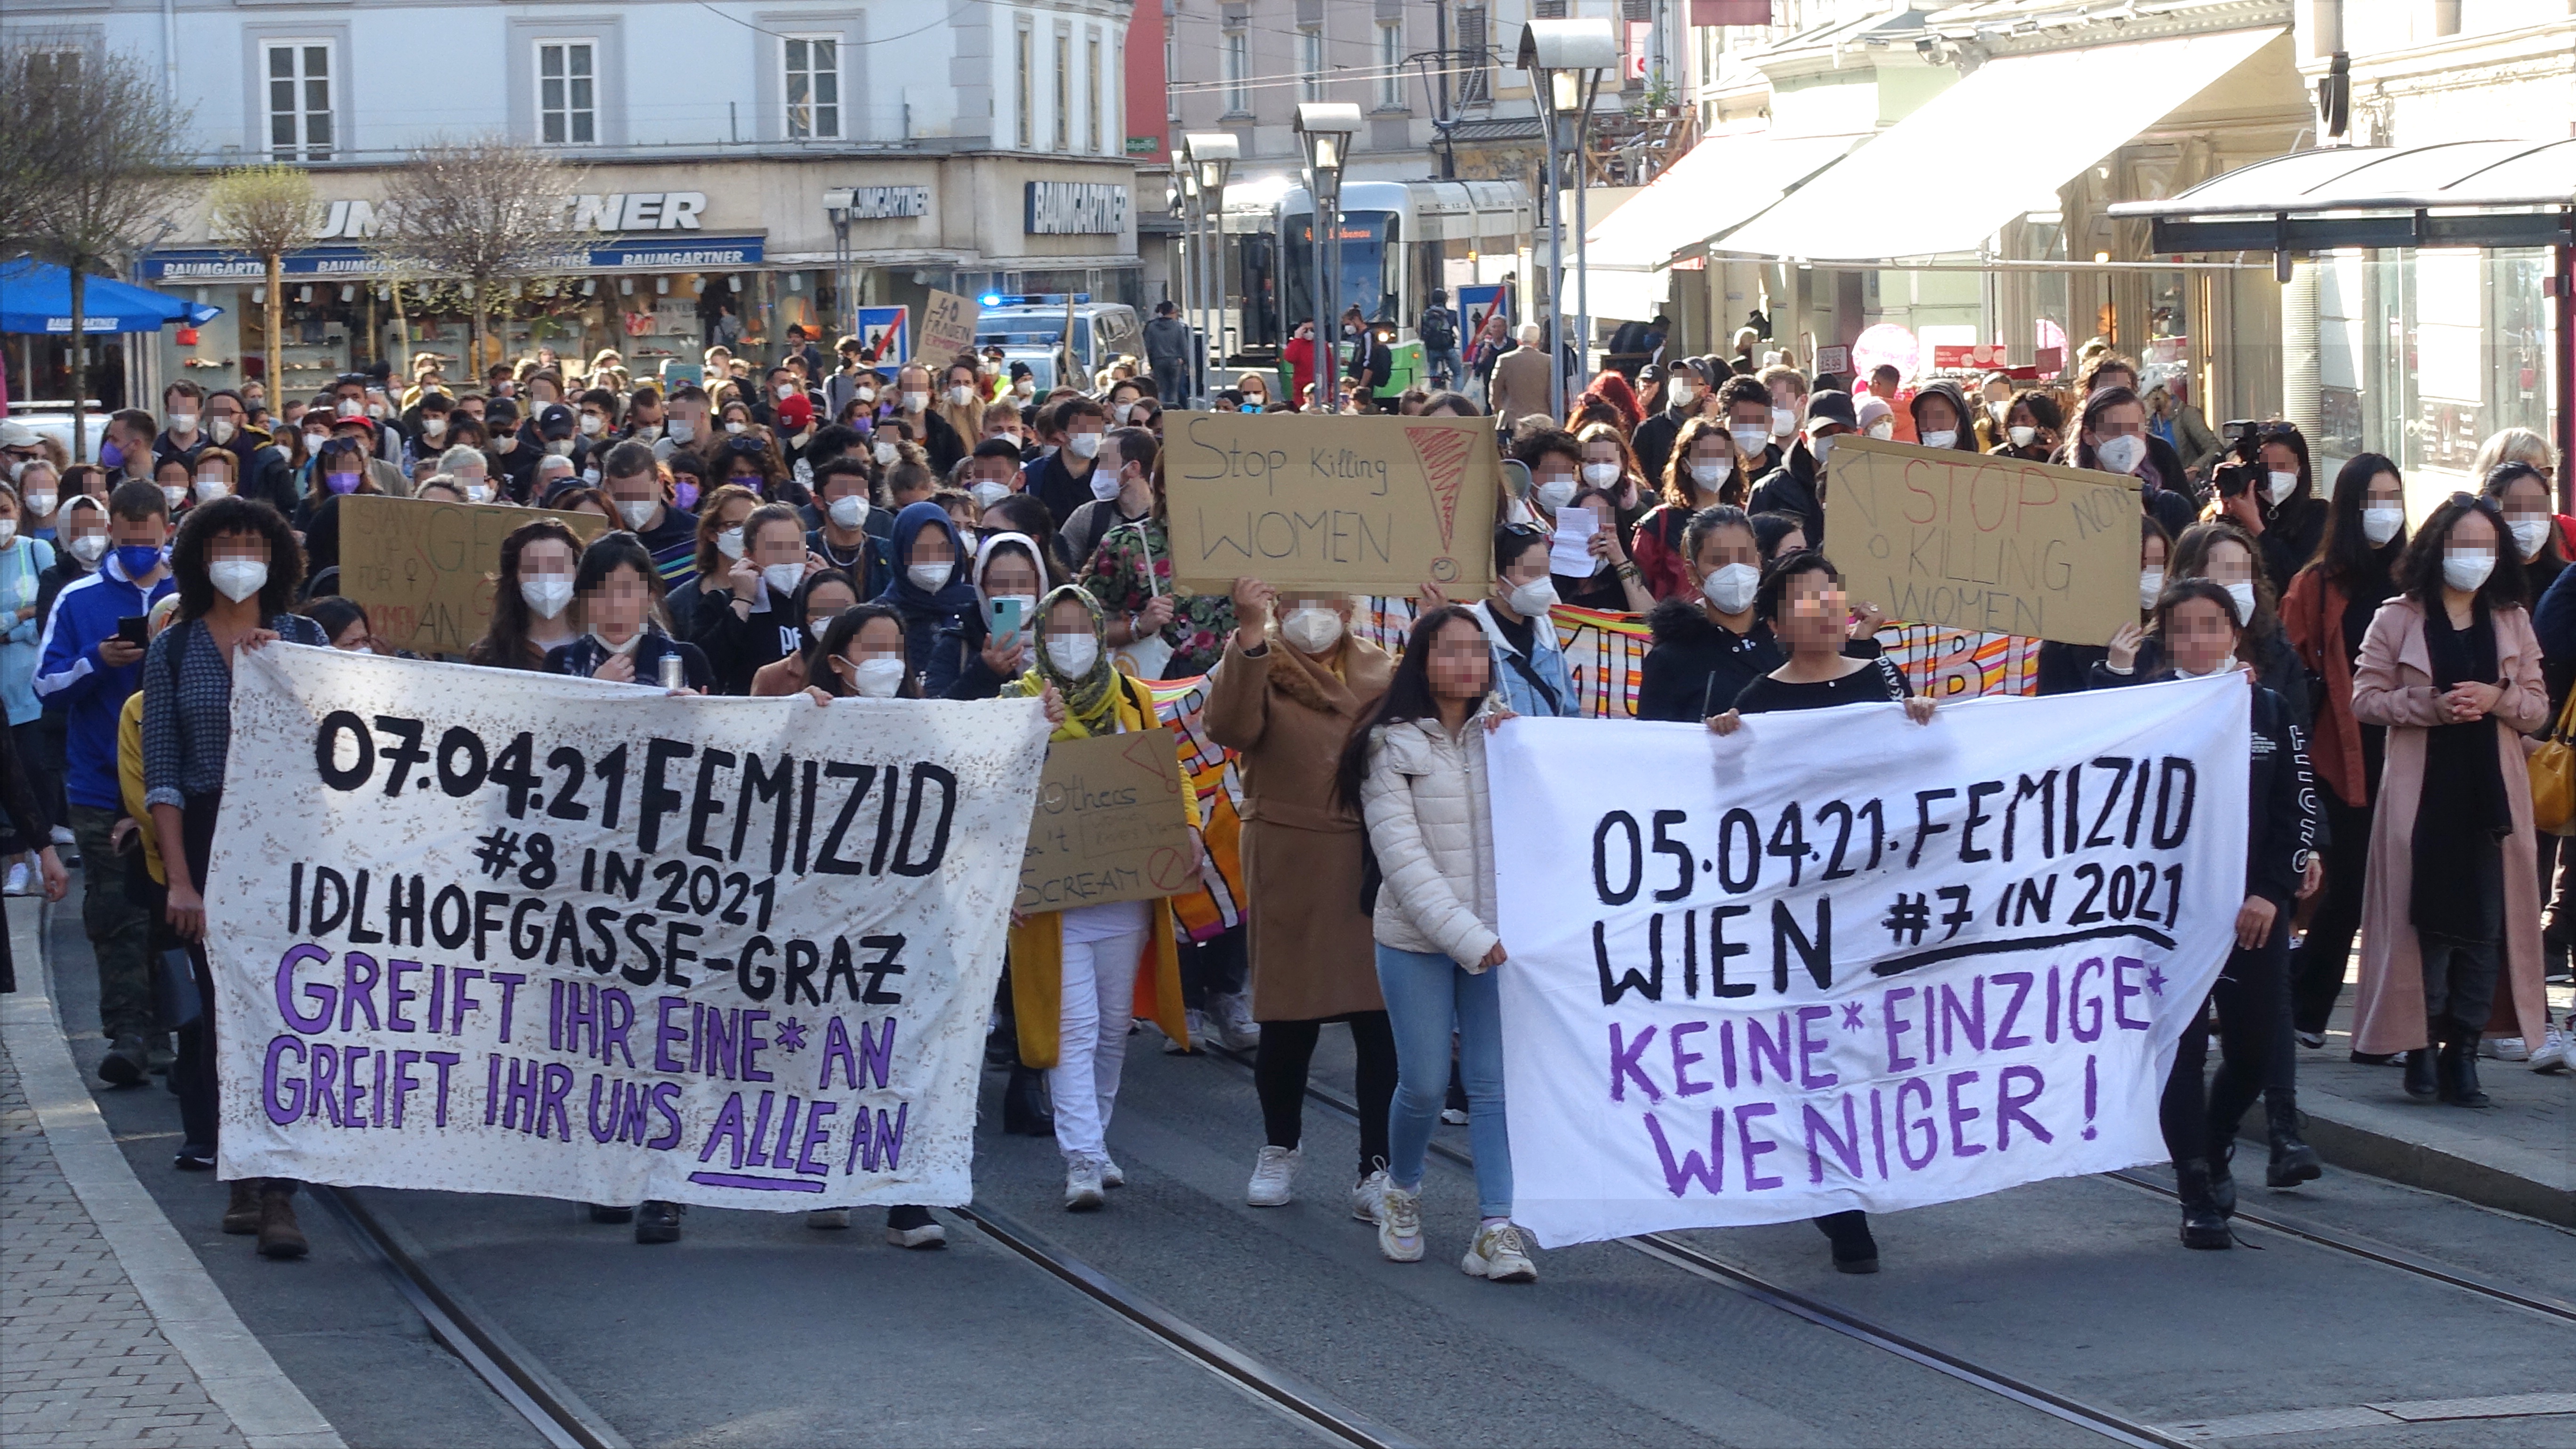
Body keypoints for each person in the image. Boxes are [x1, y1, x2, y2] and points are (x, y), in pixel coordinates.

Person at [1705, 552, 1934, 1272]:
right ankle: (1840, 1203)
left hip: (1876, 902)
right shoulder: (1759, 700)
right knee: (1816, 1050)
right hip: (1800, 914)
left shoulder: (1880, 678)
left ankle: (1857, 1165)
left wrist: (1922, 720)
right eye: (1804, 598)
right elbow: (1729, 804)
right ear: (1777, 623)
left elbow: (1923, 768)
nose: (1824, 606)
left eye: (1829, 592)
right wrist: (1721, 749)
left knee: (1873, 1045)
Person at [2102, 578, 2318, 1247]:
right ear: (2165, 637)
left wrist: (2272, 892)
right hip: (2167, 917)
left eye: (2211, 625)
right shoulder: (2147, 707)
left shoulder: (2271, 709)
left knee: (2254, 1049)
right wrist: (2112, 674)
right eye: (2183, 627)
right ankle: (2195, 1186)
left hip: (2251, 915)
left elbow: (2299, 812)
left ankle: (2219, 1132)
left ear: (2235, 631)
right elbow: (2093, 771)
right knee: (2180, 1051)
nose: (2198, 640)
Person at [141, 495, 331, 1256]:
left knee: (287, 1012)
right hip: (213, 837)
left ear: (277, 555)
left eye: (253, 542)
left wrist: (285, 673)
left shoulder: (306, 637)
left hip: (292, 843)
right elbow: (164, 775)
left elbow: (345, 748)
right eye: (225, 543)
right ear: (198, 557)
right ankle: (243, 1175)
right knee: (226, 1014)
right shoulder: (176, 647)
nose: (240, 555)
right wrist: (180, 881)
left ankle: (279, 1186)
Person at [1332, 604, 1531, 1281]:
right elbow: (1404, 863)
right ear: (1421, 661)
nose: (1467, 665)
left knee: (1490, 1084)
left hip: (1494, 942)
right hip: (1417, 940)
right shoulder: (1389, 746)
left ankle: (1497, 1227)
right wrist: (1471, 938)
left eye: (1478, 651)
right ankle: (1403, 1189)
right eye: (1451, 651)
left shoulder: (1504, 737)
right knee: (1421, 1082)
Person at [1205, 578, 1400, 1216]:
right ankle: (1279, 1146)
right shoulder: (1256, 659)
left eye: (1328, 604)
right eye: (1297, 604)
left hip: (1363, 858)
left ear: (1349, 610)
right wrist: (1250, 632)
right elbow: (1229, 725)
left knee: (1377, 1021)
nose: (1314, 617)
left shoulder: (1382, 670)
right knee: (1287, 1016)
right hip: (1288, 856)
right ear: (1278, 608)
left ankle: (1377, 1166)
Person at [2349, 491, 2551, 1107]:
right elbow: (2366, 698)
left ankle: (2464, 1050)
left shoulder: (2511, 617)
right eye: (2464, 544)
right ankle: (2422, 1046)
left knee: (2486, 927)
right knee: (2426, 927)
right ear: (2438, 547)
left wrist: (2497, 700)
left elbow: (2538, 707)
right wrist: (2429, 707)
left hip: (2492, 795)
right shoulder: (2397, 617)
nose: (2475, 558)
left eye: (2486, 546)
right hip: (2423, 793)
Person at [1002, 586, 1199, 1209]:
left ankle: (1096, 1142)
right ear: (1039, 638)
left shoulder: (1135, 698)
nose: (1071, 640)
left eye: (1080, 627)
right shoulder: (1014, 702)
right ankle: (1081, 1158)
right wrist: (1037, 728)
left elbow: (1173, 772)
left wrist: (1188, 826)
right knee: (1073, 1028)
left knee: (1115, 1026)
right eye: (1056, 629)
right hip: (1053, 904)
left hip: (1124, 895)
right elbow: (991, 792)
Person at [35, 481, 176, 1086]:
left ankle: (178, 1028)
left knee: (173, 912)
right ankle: (129, 1033)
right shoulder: (78, 598)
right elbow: (46, 683)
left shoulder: (188, 594)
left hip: (176, 781)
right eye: (128, 540)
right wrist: (97, 661)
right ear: (112, 531)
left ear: (167, 530)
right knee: (118, 914)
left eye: (150, 540)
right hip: (99, 783)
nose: (140, 550)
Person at [2282, 456, 2407, 1053]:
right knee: (2347, 889)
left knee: (2405, 893)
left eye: (2395, 496)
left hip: (2411, 749)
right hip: (2342, 753)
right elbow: (2291, 665)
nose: (2387, 510)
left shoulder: (2418, 577)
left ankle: (2396, 1026)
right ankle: (2306, 1003)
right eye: (2373, 499)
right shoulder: (2318, 584)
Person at [1080, 450, 1234, 678]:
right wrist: (1138, 627)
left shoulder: (1251, 544)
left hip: (1238, 685)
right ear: (1163, 484)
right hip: (1160, 693)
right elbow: (1084, 629)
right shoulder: (1128, 544)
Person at [546, 531, 714, 702]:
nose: (615, 605)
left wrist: (698, 711)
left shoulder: (689, 659)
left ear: (650, 597)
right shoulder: (560, 662)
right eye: (601, 593)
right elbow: (550, 724)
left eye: (627, 592)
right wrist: (594, 691)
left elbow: (717, 724)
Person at [692, 502, 820, 694]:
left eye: (795, 547)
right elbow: (705, 668)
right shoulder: (719, 602)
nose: (787, 557)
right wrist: (743, 601)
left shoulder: (812, 602)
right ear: (748, 556)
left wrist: (828, 592)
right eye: (775, 548)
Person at [2038, 518, 2170, 696]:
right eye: (2144, 564)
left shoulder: (2165, 625)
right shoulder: (2074, 637)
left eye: (2159, 564)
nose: (2154, 575)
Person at [0, 486, 57, 895]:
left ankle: (43, 850)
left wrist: (10, 626)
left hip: (34, 690)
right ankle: (16, 860)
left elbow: (47, 614)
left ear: (17, 511)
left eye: (3, 510)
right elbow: (31, 613)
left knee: (37, 769)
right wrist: (22, 616)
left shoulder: (37, 552)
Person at [1464, 523, 1578, 717]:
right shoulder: (1469, 633)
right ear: (1496, 578)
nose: (1544, 583)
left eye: (1546, 573)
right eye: (1532, 574)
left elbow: (1569, 712)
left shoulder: (1547, 635)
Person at [1631, 417, 1749, 601]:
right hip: (1677, 625)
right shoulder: (1656, 525)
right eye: (1705, 456)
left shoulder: (1746, 517)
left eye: (1722, 455)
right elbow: (1638, 588)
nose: (1715, 463)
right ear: (1686, 465)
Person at [2069, 385, 2198, 540]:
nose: (2129, 441)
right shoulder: (2068, 508)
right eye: (2116, 430)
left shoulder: (2172, 509)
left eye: (2136, 430)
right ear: (2089, 435)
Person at [2216, 421, 2326, 597]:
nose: (2274, 474)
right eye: (2266, 467)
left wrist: (2257, 528)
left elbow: (2296, 579)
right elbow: (2214, 572)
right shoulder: (2238, 509)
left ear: (2300, 469)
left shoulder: (2317, 514)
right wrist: (2225, 513)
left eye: (2282, 466)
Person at [872, 500, 978, 684]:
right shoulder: (879, 616)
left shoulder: (977, 607)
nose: (933, 559)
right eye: (920, 550)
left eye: (943, 549)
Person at [467, 519, 585, 670]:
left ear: (577, 572)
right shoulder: (486, 657)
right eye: (534, 569)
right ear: (515, 578)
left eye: (558, 567)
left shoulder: (599, 652)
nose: (547, 579)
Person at [1748, 391, 1853, 551]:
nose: (1834, 441)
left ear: (1859, 435)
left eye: (1843, 433)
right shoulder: (1772, 490)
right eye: (1824, 434)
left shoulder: (1875, 488)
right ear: (1805, 438)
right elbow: (1753, 555)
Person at [747, 570, 860, 696]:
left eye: (843, 608)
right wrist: (798, 703)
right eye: (822, 610)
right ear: (804, 617)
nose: (834, 617)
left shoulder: (878, 666)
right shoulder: (772, 677)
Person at [1630, 357, 1709, 488]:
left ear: (1705, 390)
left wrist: (1710, 420)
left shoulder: (1711, 430)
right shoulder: (1649, 429)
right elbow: (1636, 476)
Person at [1488, 323, 1553, 433]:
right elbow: (1552, 394)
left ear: (1518, 341)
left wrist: (1497, 411)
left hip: (1512, 421)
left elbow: (1495, 391)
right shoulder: (1548, 361)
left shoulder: (1504, 360)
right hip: (1542, 421)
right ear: (1537, 342)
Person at [1989, 389, 2064, 463]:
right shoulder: (1998, 457)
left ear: (2043, 422)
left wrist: (2057, 454)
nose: (2017, 424)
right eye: (2013, 419)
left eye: (2024, 419)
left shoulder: (2063, 456)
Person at [1908, 380, 1981, 455]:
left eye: (1940, 418)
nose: (1932, 429)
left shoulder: (1983, 465)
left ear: (1960, 422)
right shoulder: (1907, 463)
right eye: (1924, 420)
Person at [1144, 300, 1192, 403]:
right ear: (1172, 311)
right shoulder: (1177, 326)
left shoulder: (1152, 327)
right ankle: (1173, 411)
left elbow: (1148, 346)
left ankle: (1161, 411)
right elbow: (1183, 346)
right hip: (1174, 361)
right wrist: (1186, 361)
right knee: (1173, 391)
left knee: (1161, 390)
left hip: (1158, 361)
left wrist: (1151, 363)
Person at [1417, 290, 1462, 390]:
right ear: (1445, 300)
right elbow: (1459, 330)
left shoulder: (1426, 314)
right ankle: (1458, 394)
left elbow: (1422, 333)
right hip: (1448, 348)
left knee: (1432, 371)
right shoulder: (1451, 314)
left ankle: (1434, 393)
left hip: (1432, 349)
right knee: (1458, 373)